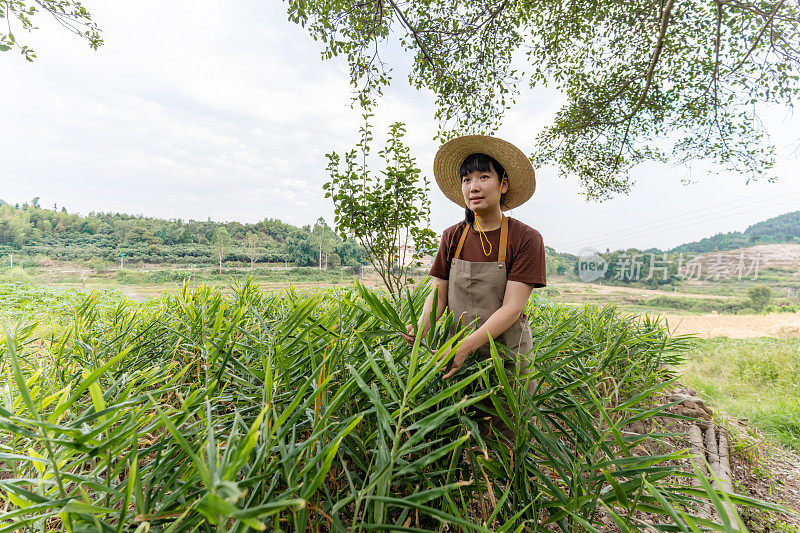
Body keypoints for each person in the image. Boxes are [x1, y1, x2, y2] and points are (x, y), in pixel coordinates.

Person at [402, 134, 546, 437]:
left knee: (509, 433)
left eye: (484, 176)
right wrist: (421, 327)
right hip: (458, 357)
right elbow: (438, 296)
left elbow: (512, 307)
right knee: (464, 436)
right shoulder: (452, 236)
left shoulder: (526, 239)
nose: (474, 186)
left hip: (507, 357)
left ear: (503, 184)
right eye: (467, 179)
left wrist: (465, 346)